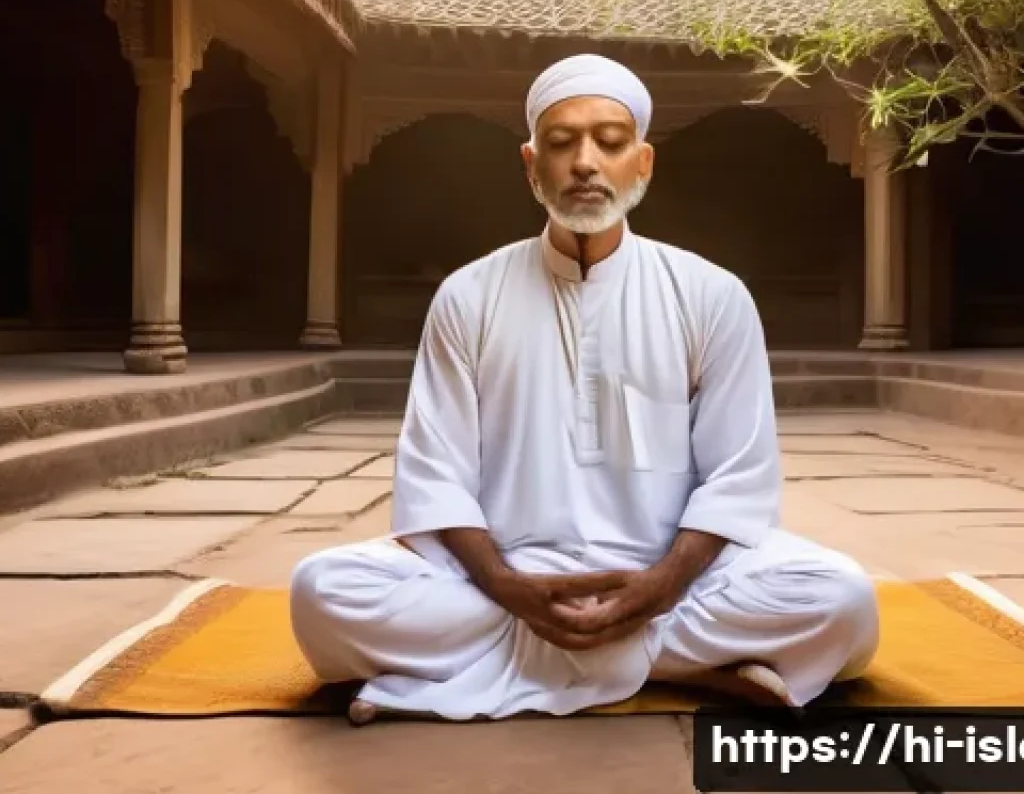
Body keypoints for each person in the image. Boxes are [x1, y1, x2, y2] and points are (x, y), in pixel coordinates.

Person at [289, 53, 880, 724]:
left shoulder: (711, 295)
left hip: (672, 580)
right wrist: (511, 589)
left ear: (644, 162)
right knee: (321, 590)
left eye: (610, 140)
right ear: (530, 163)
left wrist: (658, 588)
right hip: (508, 583)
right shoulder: (469, 296)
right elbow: (436, 473)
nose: (585, 163)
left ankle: (500, 665)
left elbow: (738, 477)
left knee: (842, 600)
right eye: (562, 142)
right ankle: (687, 668)